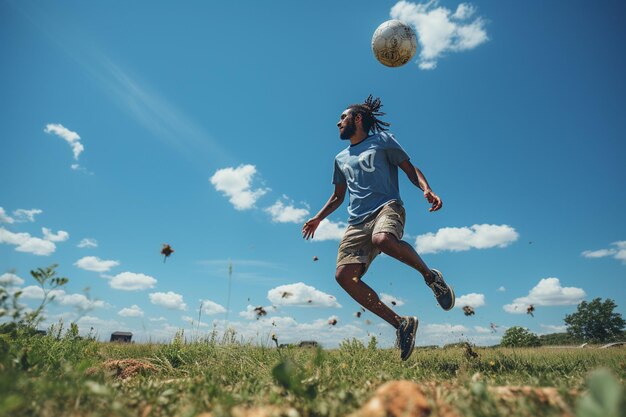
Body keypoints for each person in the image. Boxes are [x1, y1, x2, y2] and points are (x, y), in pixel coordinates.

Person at [301, 95, 455, 361]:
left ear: (357, 119)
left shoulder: (382, 141)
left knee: (383, 239)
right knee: (343, 276)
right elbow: (339, 195)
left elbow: (409, 168)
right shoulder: (340, 158)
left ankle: (432, 278)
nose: (338, 123)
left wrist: (426, 189)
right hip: (356, 221)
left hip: (387, 206)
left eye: (343, 118)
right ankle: (401, 324)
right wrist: (318, 217)